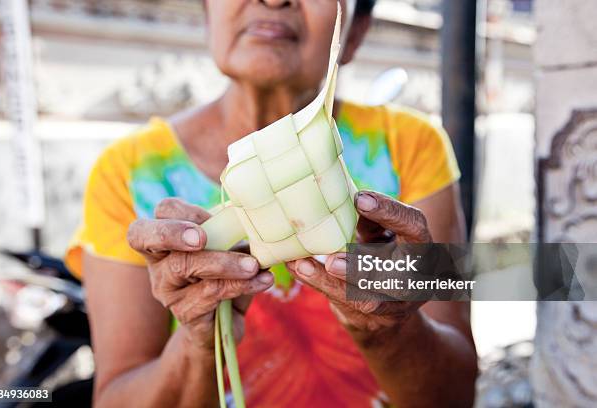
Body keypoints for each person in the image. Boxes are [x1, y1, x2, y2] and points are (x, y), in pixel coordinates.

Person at [66, 0, 478, 406]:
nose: (274, 0)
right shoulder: (128, 172)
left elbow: (456, 393)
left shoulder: (411, 146)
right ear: (207, 12)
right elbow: (115, 398)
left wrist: (389, 329)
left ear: (355, 32)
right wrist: (196, 342)